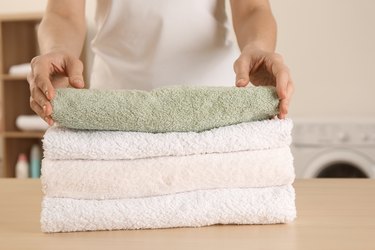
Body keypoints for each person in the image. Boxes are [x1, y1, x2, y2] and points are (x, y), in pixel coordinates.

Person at [28, 0, 294, 126]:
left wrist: (258, 48)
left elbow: (253, 9)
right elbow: (63, 12)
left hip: (213, 108)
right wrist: (57, 50)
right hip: (114, 108)